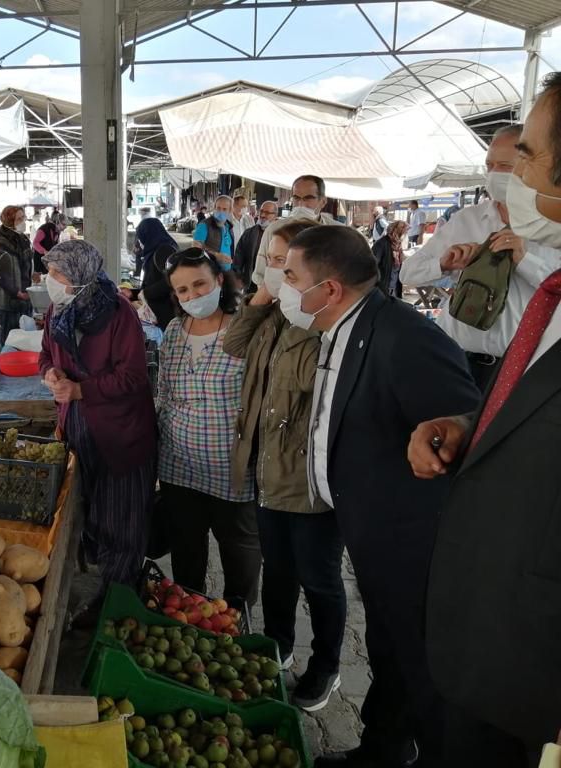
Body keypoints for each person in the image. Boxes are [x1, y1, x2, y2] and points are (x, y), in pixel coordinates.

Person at [283, 226, 480, 766]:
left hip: (410, 543)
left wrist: (442, 438)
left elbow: (466, 420)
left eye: (291, 276)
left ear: (329, 288)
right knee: (388, 649)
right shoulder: (343, 326)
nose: (283, 287)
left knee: (419, 663)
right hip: (368, 528)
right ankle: (383, 750)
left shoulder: (403, 336)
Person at [413, 71, 561, 768]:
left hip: (535, 672)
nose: (508, 177)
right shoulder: (551, 294)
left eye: (524, 156)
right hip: (487, 638)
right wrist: (476, 428)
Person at [224, 218, 347, 713]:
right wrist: (260, 296)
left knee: (319, 578)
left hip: (310, 479)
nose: (275, 271)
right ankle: (279, 644)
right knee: (278, 569)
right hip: (267, 469)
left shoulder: (328, 328)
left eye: (284, 264)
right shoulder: (276, 314)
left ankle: (327, 665)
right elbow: (233, 345)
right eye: (271, 261)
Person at [39, 240, 156, 624]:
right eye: (50, 271)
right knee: (88, 509)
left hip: (120, 432)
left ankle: (117, 605)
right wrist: (50, 374)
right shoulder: (58, 310)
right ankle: (100, 589)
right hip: (76, 426)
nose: (50, 280)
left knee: (121, 519)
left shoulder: (118, 313)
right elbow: (45, 354)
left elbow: (133, 377)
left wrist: (81, 390)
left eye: (58, 273)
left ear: (81, 275)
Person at [398, 125, 561, 389]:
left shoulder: (552, 226)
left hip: (519, 369)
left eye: (505, 166)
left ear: (531, 167)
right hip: (454, 358)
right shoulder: (467, 219)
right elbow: (408, 273)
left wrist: (526, 261)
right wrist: (444, 264)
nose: (494, 174)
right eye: (489, 165)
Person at [156, 247, 261, 604]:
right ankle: (192, 614)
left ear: (218, 280)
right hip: (178, 467)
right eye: (183, 290)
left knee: (240, 557)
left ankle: (238, 620)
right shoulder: (174, 330)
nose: (193, 296)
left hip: (231, 469)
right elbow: (163, 392)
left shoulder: (244, 330)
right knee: (186, 555)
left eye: (199, 284)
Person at [251, 174, 344, 288]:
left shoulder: (338, 233)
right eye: (296, 198)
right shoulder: (274, 230)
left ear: (323, 201)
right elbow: (260, 275)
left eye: (308, 198)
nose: (301, 204)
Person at [0, 205, 33, 343]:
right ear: (9, 221)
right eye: (19, 219)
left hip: (24, 296)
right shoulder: (2, 242)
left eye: (23, 217)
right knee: (8, 341)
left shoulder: (23, 239)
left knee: (23, 340)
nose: (23, 221)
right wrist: (17, 293)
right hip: (7, 301)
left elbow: (26, 264)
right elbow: (0, 274)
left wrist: (34, 276)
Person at [137, 217, 181, 330]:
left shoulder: (164, 251)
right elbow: (152, 281)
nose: (140, 242)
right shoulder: (154, 250)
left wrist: (146, 293)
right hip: (158, 313)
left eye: (140, 237)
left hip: (166, 314)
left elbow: (172, 280)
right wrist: (133, 293)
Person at [233, 200, 278, 288]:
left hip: (271, 283)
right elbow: (238, 257)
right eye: (261, 211)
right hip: (250, 280)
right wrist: (237, 277)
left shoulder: (279, 234)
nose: (263, 215)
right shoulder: (249, 233)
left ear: (275, 215)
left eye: (267, 213)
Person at [193, 195, 236, 272]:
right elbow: (196, 249)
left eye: (224, 209)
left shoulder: (228, 226)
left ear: (230, 211)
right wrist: (216, 255)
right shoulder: (204, 225)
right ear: (214, 208)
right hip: (211, 271)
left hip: (227, 271)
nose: (220, 212)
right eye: (218, 208)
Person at [373, 219, 407, 298]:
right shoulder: (381, 244)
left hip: (394, 287)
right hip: (383, 288)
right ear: (395, 231)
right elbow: (373, 264)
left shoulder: (397, 245)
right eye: (402, 231)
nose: (404, 235)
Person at [32, 211, 65, 276]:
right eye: (63, 224)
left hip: (48, 259)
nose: (65, 227)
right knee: (40, 278)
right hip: (39, 259)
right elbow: (35, 243)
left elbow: (55, 243)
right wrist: (44, 251)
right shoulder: (44, 229)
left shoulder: (57, 231)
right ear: (57, 222)